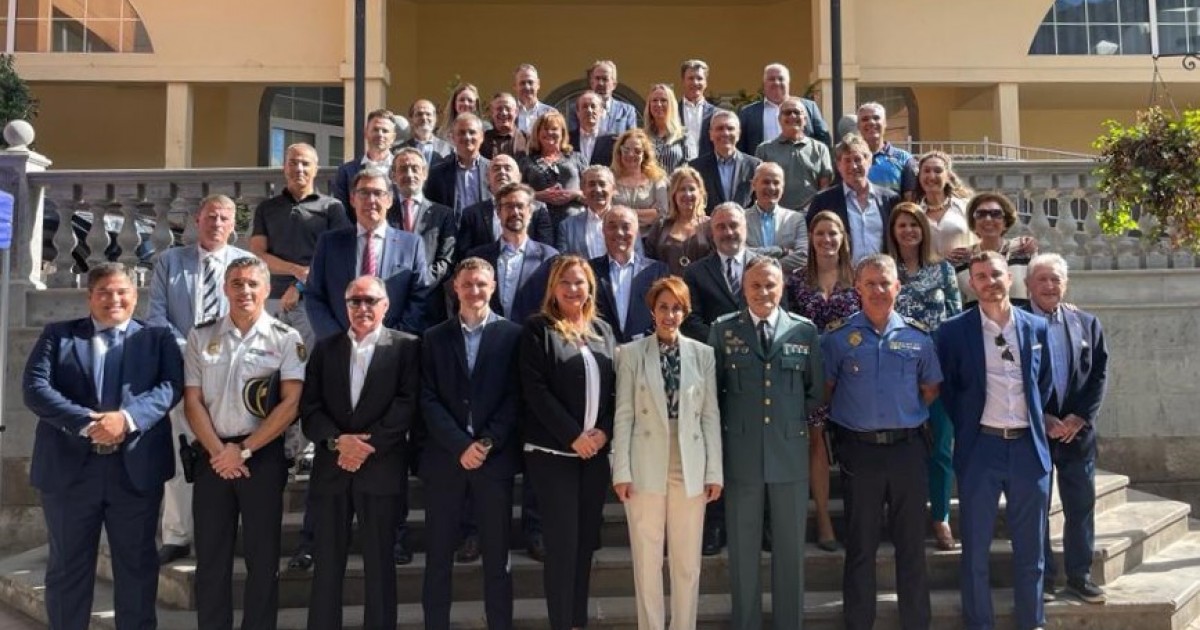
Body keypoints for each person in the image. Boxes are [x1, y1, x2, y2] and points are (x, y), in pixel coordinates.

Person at [24, 262, 183, 630]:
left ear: (135, 296)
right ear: (90, 297)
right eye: (104, 292)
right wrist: (88, 423)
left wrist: (125, 420)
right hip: (70, 474)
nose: (114, 299)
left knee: (137, 567)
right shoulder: (58, 335)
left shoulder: (157, 338)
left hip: (134, 472)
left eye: (122, 292)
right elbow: (35, 388)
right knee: (67, 568)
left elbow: (171, 387)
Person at [184, 256, 305, 630]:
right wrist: (220, 452)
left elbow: (291, 404)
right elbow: (192, 401)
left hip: (261, 457)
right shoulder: (201, 336)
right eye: (236, 283)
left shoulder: (285, 338)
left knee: (263, 558)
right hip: (213, 456)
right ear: (225, 288)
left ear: (267, 289)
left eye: (253, 283)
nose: (245, 291)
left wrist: (245, 449)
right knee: (211, 558)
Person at [822, 253, 942, 630]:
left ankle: (916, 623)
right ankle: (859, 622)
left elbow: (930, 389)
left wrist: (898, 416)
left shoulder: (918, 337)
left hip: (908, 450)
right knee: (861, 545)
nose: (878, 290)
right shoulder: (837, 338)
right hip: (860, 452)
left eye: (885, 283)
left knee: (912, 545)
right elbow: (827, 389)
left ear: (898, 287)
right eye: (870, 283)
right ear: (857, 288)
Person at [936, 251, 1054, 630]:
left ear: (1010, 278)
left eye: (996, 274)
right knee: (975, 548)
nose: (990, 282)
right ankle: (979, 623)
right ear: (972, 284)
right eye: (981, 277)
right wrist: (970, 426)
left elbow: (1044, 383)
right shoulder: (953, 332)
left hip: (1028, 449)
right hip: (981, 449)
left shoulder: (1036, 328)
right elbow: (949, 391)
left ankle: (1031, 621)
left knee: (1031, 548)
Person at [708, 256, 823, 630]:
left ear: (782, 286)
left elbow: (814, 392)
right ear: (743, 289)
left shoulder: (803, 331)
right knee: (743, 551)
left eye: (770, 284)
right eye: (755, 285)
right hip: (741, 455)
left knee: (790, 549)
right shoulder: (723, 330)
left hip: (789, 454)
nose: (763, 292)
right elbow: (714, 393)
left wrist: (789, 425)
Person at [301, 275, 419, 630]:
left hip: (380, 469)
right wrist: (339, 442)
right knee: (327, 563)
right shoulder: (325, 348)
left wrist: (365, 447)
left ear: (386, 305)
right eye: (355, 301)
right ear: (345, 305)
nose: (362, 308)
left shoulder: (406, 347)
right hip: (332, 470)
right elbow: (310, 408)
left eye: (370, 301)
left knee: (380, 565)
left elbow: (407, 405)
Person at [612, 276, 722, 630]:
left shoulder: (703, 354)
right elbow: (624, 415)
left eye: (676, 308)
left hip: (690, 461)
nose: (669, 315)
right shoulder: (630, 354)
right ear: (652, 310)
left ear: (685, 312)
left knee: (687, 561)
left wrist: (714, 472)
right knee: (647, 559)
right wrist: (621, 470)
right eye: (663, 307)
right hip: (645, 460)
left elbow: (709, 415)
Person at [148, 194, 252, 566]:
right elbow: (156, 316)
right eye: (211, 216)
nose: (217, 223)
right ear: (197, 219)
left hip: (232, 373)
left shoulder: (246, 264)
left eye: (224, 218)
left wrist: (219, 353)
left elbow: (253, 315)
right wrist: (192, 350)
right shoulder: (170, 261)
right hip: (182, 371)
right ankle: (177, 535)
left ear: (233, 225)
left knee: (230, 452)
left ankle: (231, 532)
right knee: (181, 454)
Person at [419, 259, 524, 629]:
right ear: (455, 288)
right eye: (467, 284)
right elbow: (427, 397)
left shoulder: (513, 335)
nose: (474, 291)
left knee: (498, 560)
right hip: (445, 462)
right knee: (438, 559)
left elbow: (515, 396)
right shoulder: (433, 337)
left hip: (493, 462)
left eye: (481, 284)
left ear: (492, 287)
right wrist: (459, 445)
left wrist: (486, 442)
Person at [519, 255, 617, 630]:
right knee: (561, 545)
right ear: (553, 288)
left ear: (590, 287)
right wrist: (573, 436)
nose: (573, 289)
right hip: (554, 454)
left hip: (595, 455)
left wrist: (603, 432)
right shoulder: (538, 329)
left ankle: (578, 621)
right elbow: (536, 390)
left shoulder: (603, 330)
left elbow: (617, 390)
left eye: (580, 282)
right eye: (565, 282)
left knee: (585, 543)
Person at [1025, 254, 1109, 604]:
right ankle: (1042, 580)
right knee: (1036, 508)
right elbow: (1012, 379)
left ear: (1066, 284)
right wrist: (1041, 417)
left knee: (1080, 507)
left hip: (1077, 434)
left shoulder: (1086, 323)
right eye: (1042, 279)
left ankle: (1080, 576)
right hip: (1035, 432)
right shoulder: (1016, 322)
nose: (1049, 285)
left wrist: (1080, 417)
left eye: (1056, 279)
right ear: (1028, 284)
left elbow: (1099, 373)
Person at [886, 202, 963, 550]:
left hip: (938, 370)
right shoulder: (886, 270)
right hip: (896, 373)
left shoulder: (943, 269)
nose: (909, 231)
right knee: (902, 450)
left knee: (942, 446)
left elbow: (955, 320)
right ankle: (904, 516)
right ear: (893, 231)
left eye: (914, 225)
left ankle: (940, 517)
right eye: (902, 225)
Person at [785, 210, 861, 551]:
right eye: (820, 234)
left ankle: (860, 516)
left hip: (853, 372)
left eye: (833, 233)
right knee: (815, 442)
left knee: (852, 442)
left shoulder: (858, 276)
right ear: (811, 238)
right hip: (810, 371)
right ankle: (824, 521)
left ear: (843, 238)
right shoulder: (797, 280)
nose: (827, 240)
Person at [307, 167, 431, 340]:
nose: (371, 200)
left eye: (378, 193)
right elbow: (314, 295)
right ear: (352, 199)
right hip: (339, 345)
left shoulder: (411, 245)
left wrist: (391, 340)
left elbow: (420, 298)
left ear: (389, 200)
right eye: (364, 193)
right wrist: (337, 340)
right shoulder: (329, 243)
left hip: (393, 347)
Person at [250, 143, 350, 350]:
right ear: (284, 167)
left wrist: (299, 286)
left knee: (309, 362)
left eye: (305, 163)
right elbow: (258, 254)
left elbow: (338, 256)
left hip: (313, 301)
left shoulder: (332, 208)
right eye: (293, 163)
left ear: (316, 169)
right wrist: (296, 270)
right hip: (270, 299)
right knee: (268, 363)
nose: (299, 169)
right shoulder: (266, 208)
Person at [467, 182, 561, 327]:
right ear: (498, 212)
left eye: (520, 206)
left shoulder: (549, 258)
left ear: (530, 212)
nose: (515, 212)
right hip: (490, 336)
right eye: (509, 206)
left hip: (532, 336)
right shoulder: (478, 257)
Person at [806, 133, 901, 265]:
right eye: (847, 160)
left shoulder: (890, 199)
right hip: (842, 274)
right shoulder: (823, 201)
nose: (853, 166)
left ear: (869, 161)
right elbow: (811, 240)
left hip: (881, 273)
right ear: (838, 166)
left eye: (858, 159)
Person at [388, 147, 457, 320]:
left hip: (430, 305)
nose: (409, 174)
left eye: (415, 168)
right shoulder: (384, 212)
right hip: (390, 301)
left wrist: (420, 283)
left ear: (425, 174)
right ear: (393, 175)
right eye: (403, 169)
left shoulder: (443, 214)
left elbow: (446, 261)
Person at [588, 206, 669, 343]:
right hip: (602, 348)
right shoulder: (589, 270)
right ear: (603, 230)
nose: (619, 233)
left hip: (644, 349)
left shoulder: (657, 271)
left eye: (626, 227)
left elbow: (664, 313)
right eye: (612, 227)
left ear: (636, 231)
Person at [456, 154, 555, 257]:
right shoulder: (472, 214)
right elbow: (465, 255)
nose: (502, 172)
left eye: (508, 168)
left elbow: (545, 252)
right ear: (487, 178)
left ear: (519, 177)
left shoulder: (537, 210)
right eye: (496, 169)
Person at [682, 202, 751, 343]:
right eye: (721, 227)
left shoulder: (767, 268)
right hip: (713, 351)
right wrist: (722, 344)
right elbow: (690, 320)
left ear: (745, 228)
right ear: (712, 233)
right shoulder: (694, 273)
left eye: (734, 225)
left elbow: (778, 312)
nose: (728, 232)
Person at [958, 192, 1037, 307]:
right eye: (980, 214)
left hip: (1020, 317)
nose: (988, 219)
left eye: (996, 214)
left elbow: (1037, 293)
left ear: (1005, 222)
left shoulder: (1024, 250)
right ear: (973, 223)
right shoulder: (961, 258)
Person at [754, 96, 833, 210]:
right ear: (779, 119)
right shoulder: (764, 149)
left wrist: (814, 209)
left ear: (805, 119)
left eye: (796, 112)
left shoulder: (820, 149)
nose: (792, 116)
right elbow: (758, 186)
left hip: (811, 213)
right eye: (787, 113)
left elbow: (825, 186)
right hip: (776, 214)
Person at [737, 63, 831, 152]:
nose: (776, 82)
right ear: (764, 84)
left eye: (781, 79)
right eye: (771, 79)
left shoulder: (809, 107)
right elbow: (740, 147)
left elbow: (824, 139)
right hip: (763, 162)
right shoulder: (748, 113)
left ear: (788, 82)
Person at [522, 110, 587, 227]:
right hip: (539, 223)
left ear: (562, 132)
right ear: (537, 133)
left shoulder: (577, 158)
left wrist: (574, 194)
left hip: (573, 222)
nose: (550, 132)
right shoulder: (526, 162)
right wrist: (537, 195)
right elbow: (517, 193)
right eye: (545, 129)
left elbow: (591, 192)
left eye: (554, 129)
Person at [644, 166, 713, 276]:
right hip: (666, 285)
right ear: (673, 194)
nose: (687, 194)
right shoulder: (660, 226)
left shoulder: (710, 226)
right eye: (681, 189)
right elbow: (648, 262)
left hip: (701, 286)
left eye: (692, 189)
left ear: (700, 193)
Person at [691, 110, 762, 212]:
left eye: (730, 128)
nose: (725, 133)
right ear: (711, 134)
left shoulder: (755, 166)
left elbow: (759, 203)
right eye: (720, 128)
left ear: (738, 134)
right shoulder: (695, 168)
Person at [912, 150, 975, 267]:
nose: (931, 176)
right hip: (929, 275)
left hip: (966, 271)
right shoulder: (914, 214)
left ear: (948, 176)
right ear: (919, 176)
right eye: (926, 171)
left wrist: (972, 249)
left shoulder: (966, 206)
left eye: (938, 171)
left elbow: (984, 237)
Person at [745, 162, 809, 274]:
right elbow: (739, 253)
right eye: (766, 182)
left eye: (776, 183)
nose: (771, 187)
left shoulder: (795, 219)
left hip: (785, 283)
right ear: (754, 185)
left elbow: (804, 255)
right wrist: (780, 251)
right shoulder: (740, 219)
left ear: (783, 187)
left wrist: (771, 268)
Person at [332, 109, 398, 214]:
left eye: (385, 131)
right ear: (366, 133)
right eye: (375, 129)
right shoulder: (346, 171)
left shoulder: (402, 170)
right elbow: (341, 212)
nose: (380, 134)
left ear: (393, 137)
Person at [425, 113, 492, 212]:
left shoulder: (493, 170)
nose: (467, 137)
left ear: (482, 137)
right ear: (453, 138)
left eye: (472, 132)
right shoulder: (437, 173)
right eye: (461, 133)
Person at [611, 128, 669, 232]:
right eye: (626, 150)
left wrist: (620, 213)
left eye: (637, 151)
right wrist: (648, 213)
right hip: (617, 236)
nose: (631, 154)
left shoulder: (657, 179)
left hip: (649, 238)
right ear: (619, 151)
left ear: (644, 154)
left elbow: (661, 213)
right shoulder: (609, 179)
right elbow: (606, 212)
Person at [857, 102, 919, 199]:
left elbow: (910, 201)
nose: (871, 122)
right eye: (865, 119)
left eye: (876, 118)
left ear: (885, 123)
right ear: (858, 126)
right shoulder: (849, 160)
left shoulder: (904, 159)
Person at [557, 165, 615, 258]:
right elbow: (563, 262)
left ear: (613, 189)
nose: (597, 189)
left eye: (602, 184)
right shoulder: (568, 226)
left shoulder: (628, 221)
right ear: (583, 190)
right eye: (592, 184)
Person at [570, 59, 638, 135]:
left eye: (605, 79)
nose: (600, 83)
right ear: (592, 83)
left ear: (614, 85)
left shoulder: (626, 111)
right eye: (597, 78)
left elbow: (632, 137)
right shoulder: (577, 109)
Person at [643, 83, 690, 173]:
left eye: (663, 100)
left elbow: (690, 166)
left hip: (675, 181)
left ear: (671, 105)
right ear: (649, 105)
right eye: (654, 100)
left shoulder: (683, 135)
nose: (658, 104)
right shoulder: (642, 136)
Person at [678, 59, 715, 160]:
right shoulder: (672, 112)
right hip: (680, 167)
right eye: (690, 78)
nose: (695, 82)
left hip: (707, 167)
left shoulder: (716, 114)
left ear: (706, 82)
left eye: (699, 78)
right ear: (683, 81)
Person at [398, 99, 453, 168]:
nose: (424, 118)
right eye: (419, 114)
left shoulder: (448, 149)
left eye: (428, 114)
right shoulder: (399, 150)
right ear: (411, 119)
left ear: (435, 119)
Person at [569, 91, 618, 167]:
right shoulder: (567, 139)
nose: (589, 110)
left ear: (601, 111)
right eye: (585, 106)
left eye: (593, 106)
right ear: (577, 113)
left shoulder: (613, 141)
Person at [482, 92, 530, 160]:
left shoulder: (527, 140)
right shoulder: (482, 139)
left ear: (516, 112)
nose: (504, 113)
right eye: (499, 109)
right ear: (492, 112)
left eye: (508, 109)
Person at [514, 63, 556, 135]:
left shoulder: (551, 113)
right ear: (515, 86)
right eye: (522, 83)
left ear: (538, 84)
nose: (527, 87)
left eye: (530, 82)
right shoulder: (510, 114)